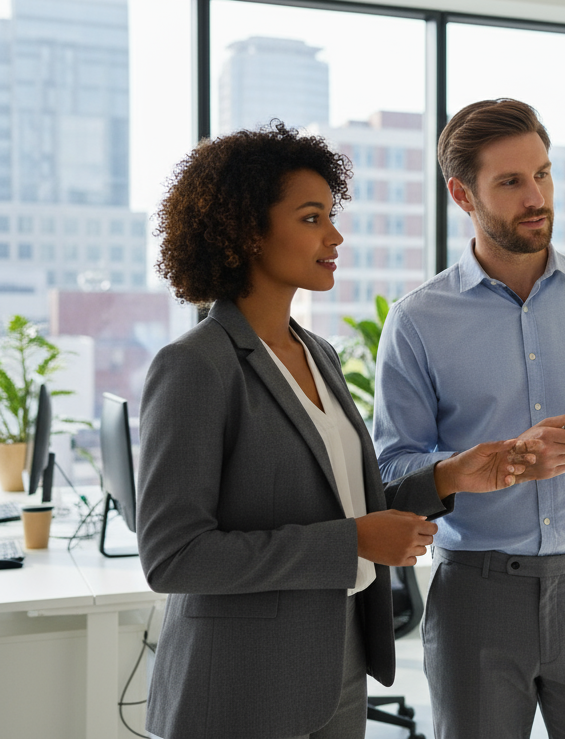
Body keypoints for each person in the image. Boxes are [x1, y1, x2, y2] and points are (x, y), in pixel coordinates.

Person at [136, 123, 539, 739]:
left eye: (331, 214)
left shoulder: (316, 353)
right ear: (246, 231)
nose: (335, 235)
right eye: (310, 218)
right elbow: (174, 556)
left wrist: (450, 476)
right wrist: (349, 542)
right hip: (239, 693)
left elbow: (349, 502)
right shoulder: (197, 365)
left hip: (334, 677)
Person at [374, 98, 565, 739]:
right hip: (477, 598)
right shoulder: (418, 321)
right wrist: (490, 464)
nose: (535, 196)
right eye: (510, 182)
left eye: (541, 174)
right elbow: (392, 471)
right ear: (463, 194)